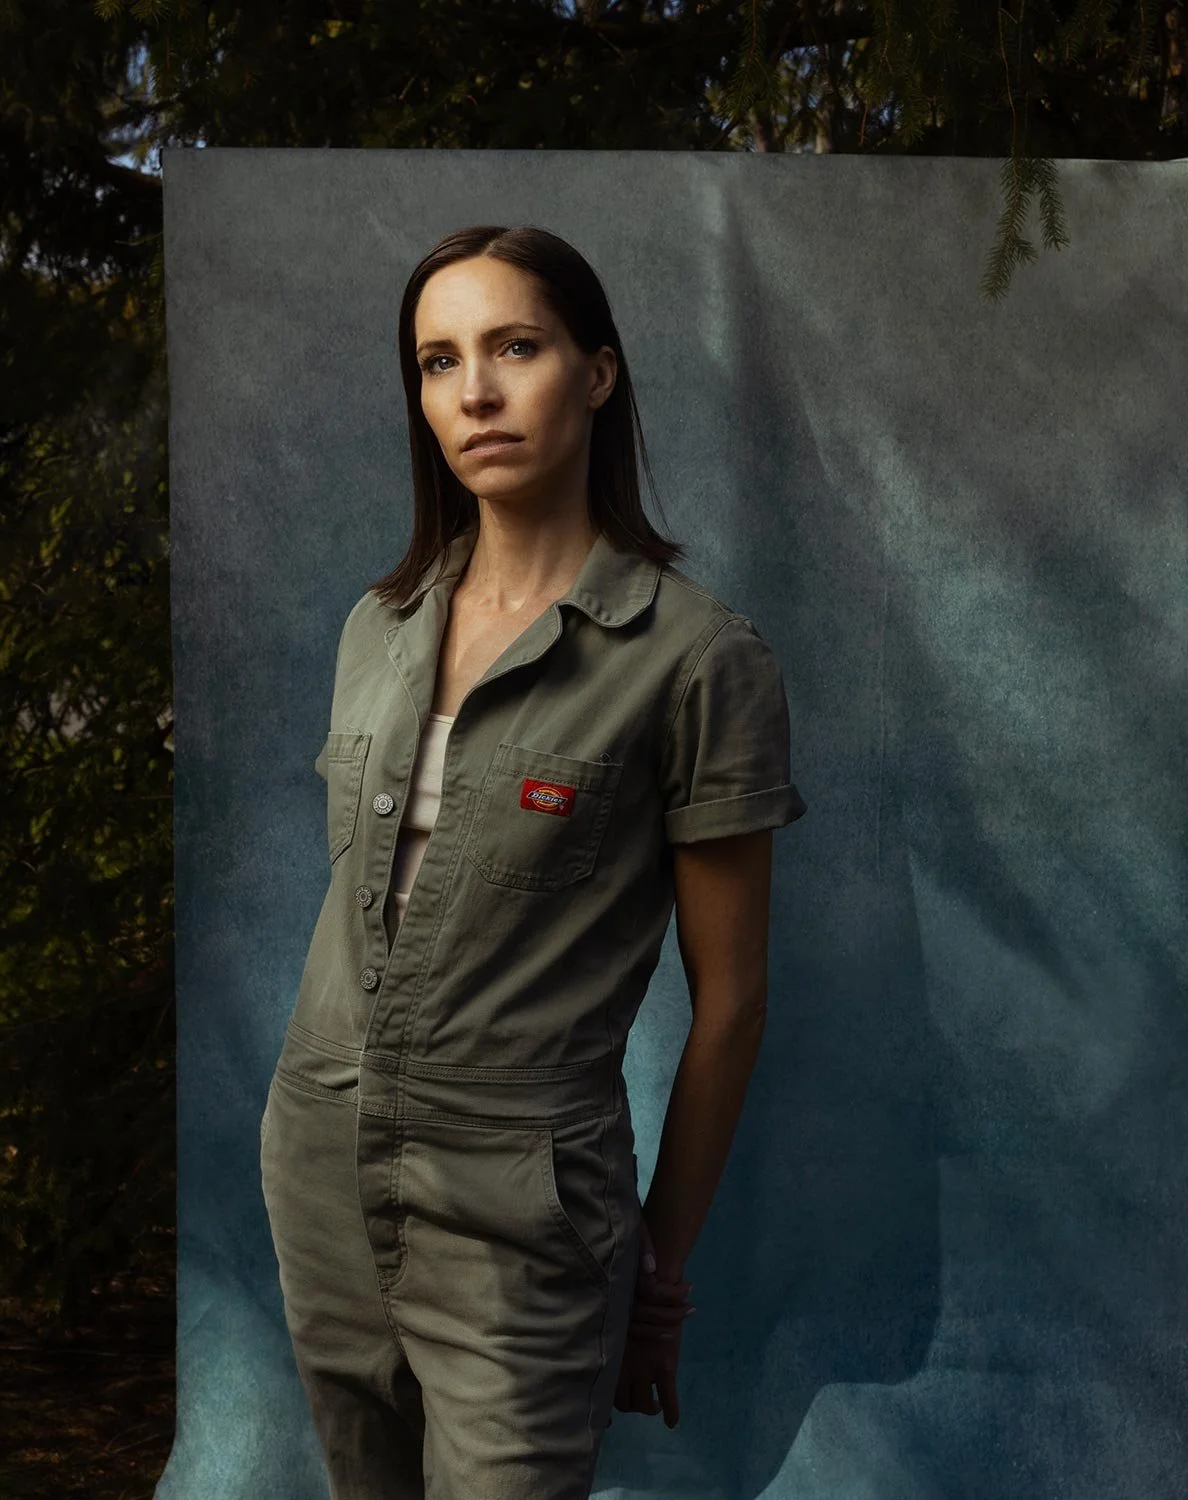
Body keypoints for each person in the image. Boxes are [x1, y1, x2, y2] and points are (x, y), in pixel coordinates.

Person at [259, 223, 807, 1499]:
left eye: (516, 347)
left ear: (597, 373)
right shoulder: (377, 625)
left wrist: (659, 1274)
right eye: (439, 361)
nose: (477, 393)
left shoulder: (697, 662)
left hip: (521, 1213)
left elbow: (731, 1007)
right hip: (322, 1166)